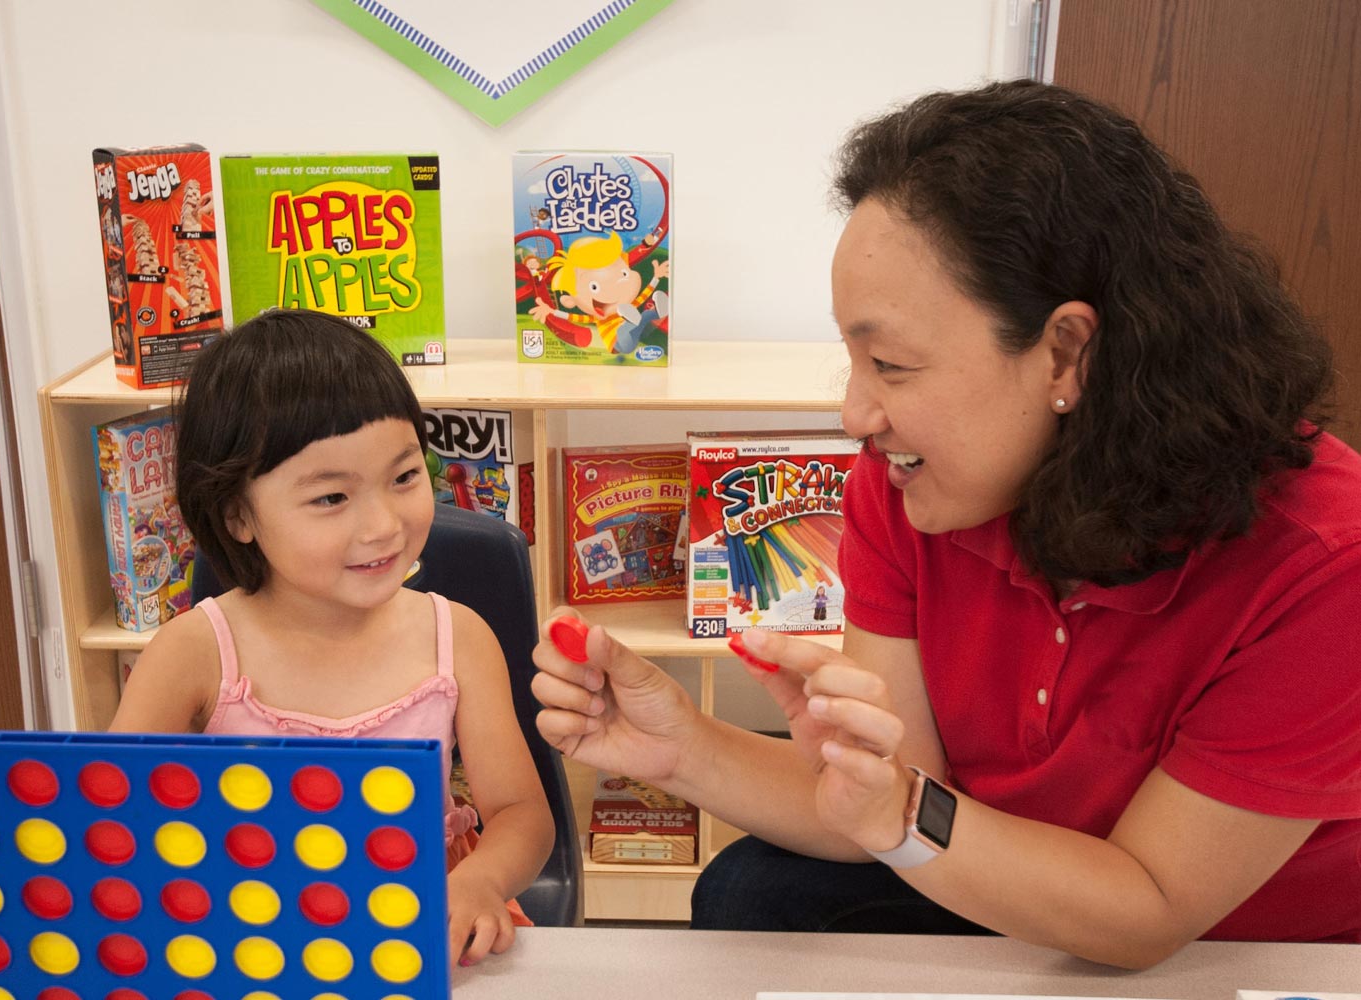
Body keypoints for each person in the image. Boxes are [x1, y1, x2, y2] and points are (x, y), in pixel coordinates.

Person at [532, 80, 1361, 969]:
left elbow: (1147, 909)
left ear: (1066, 351)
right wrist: (678, 746)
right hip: (992, 867)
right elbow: (889, 796)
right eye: (851, 359)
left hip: (1244, 948)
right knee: (752, 895)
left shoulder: (1321, 559)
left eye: (890, 363)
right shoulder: (907, 489)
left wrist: (898, 811)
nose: (855, 413)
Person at [111, 309, 554, 967]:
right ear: (237, 513)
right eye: (330, 499)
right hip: (247, 942)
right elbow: (111, 820)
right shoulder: (193, 652)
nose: (381, 524)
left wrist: (482, 879)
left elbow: (522, 813)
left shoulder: (456, 637)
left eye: (404, 477)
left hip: (424, 934)